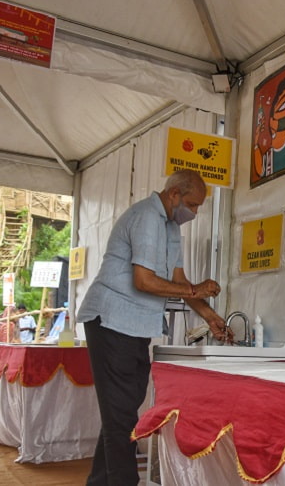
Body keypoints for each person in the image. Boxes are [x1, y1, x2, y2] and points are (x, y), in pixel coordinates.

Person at [77, 169, 231, 485]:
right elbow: (144, 280)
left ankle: (100, 481)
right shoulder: (147, 216)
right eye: (193, 204)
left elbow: (178, 282)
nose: (195, 212)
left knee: (120, 413)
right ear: (173, 194)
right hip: (111, 320)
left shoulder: (170, 227)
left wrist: (210, 317)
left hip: (134, 326)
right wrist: (195, 291)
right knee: (120, 418)